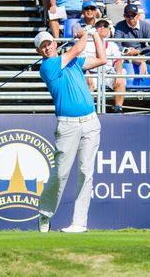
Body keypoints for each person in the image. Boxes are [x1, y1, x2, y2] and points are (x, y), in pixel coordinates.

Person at [34, 29, 107, 233]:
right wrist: (84, 33)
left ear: (55, 43)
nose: (47, 47)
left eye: (49, 43)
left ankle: (79, 223)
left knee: (86, 171)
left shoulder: (74, 62)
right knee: (61, 172)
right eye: (43, 46)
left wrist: (95, 36)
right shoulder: (48, 67)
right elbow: (77, 48)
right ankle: (45, 213)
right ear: (39, 52)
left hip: (91, 122)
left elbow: (102, 59)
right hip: (67, 125)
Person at [114, 3, 150, 74]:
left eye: (133, 15)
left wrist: (138, 51)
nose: (131, 18)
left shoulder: (145, 26)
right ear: (124, 16)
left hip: (142, 54)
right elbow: (116, 45)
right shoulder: (119, 26)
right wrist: (128, 51)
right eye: (128, 15)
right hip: (126, 55)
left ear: (138, 15)